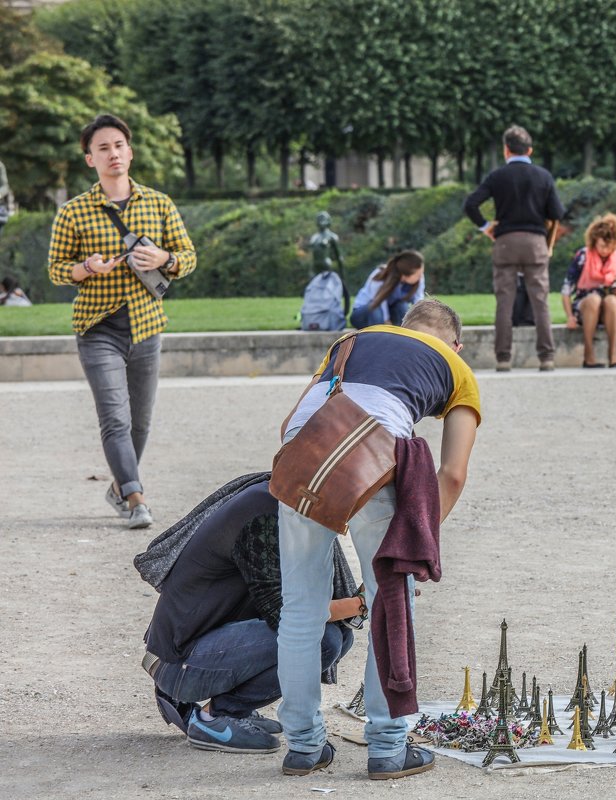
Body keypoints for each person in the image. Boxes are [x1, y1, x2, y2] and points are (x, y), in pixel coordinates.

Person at [275, 298, 480, 780]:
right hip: (374, 457)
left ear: (402, 325)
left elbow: (290, 423)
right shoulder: (455, 365)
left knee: (300, 608)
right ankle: (388, 744)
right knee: (391, 603)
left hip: (302, 454)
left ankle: (303, 746)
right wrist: (419, 535)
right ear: (457, 343)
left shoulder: (350, 340)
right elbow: (451, 472)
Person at [135, 476, 359, 754]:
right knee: (322, 640)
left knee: (340, 635)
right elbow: (289, 615)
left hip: (189, 651)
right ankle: (215, 716)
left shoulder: (276, 495)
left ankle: (232, 708)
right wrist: (364, 602)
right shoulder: (263, 519)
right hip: (179, 664)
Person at [46, 114, 196, 530]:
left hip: (147, 325)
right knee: (115, 416)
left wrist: (166, 259)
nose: (113, 153)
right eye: (103, 148)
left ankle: (118, 487)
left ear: (129, 151)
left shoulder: (159, 203)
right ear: (89, 159)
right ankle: (135, 497)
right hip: (98, 328)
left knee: (140, 420)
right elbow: (57, 270)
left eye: (118, 145)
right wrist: (85, 268)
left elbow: (188, 256)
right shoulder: (74, 212)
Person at [463, 125, 565, 372]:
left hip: (506, 242)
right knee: (540, 301)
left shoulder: (498, 176)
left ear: (506, 150)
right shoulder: (543, 176)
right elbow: (557, 213)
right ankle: (546, 357)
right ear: (529, 150)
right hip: (535, 242)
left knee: (504, 303)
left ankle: (503, 358)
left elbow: (471, 204)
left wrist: (487, 226)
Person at [561, 213, 616, 368]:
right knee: (594, 299)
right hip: (586, 304)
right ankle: (589, 356)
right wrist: (569, 317)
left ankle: (613, 355)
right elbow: (566, 289)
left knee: (612, 301)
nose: (605, 250)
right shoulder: (582, 256)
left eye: (609, 246)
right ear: (594, 241)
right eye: (601, 246)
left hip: (609, 306)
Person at [349, 250, 426, 329]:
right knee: (376, 308)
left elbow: (418, 300)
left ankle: (402, 335)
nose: (421, 277)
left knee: (402, 305)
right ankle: (379, 335)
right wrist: (386, 320)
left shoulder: (418, 281)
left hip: (387, 312)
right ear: (405, 275)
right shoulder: (380, 274)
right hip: (363, 314)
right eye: (418, 274)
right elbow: (378, 302)